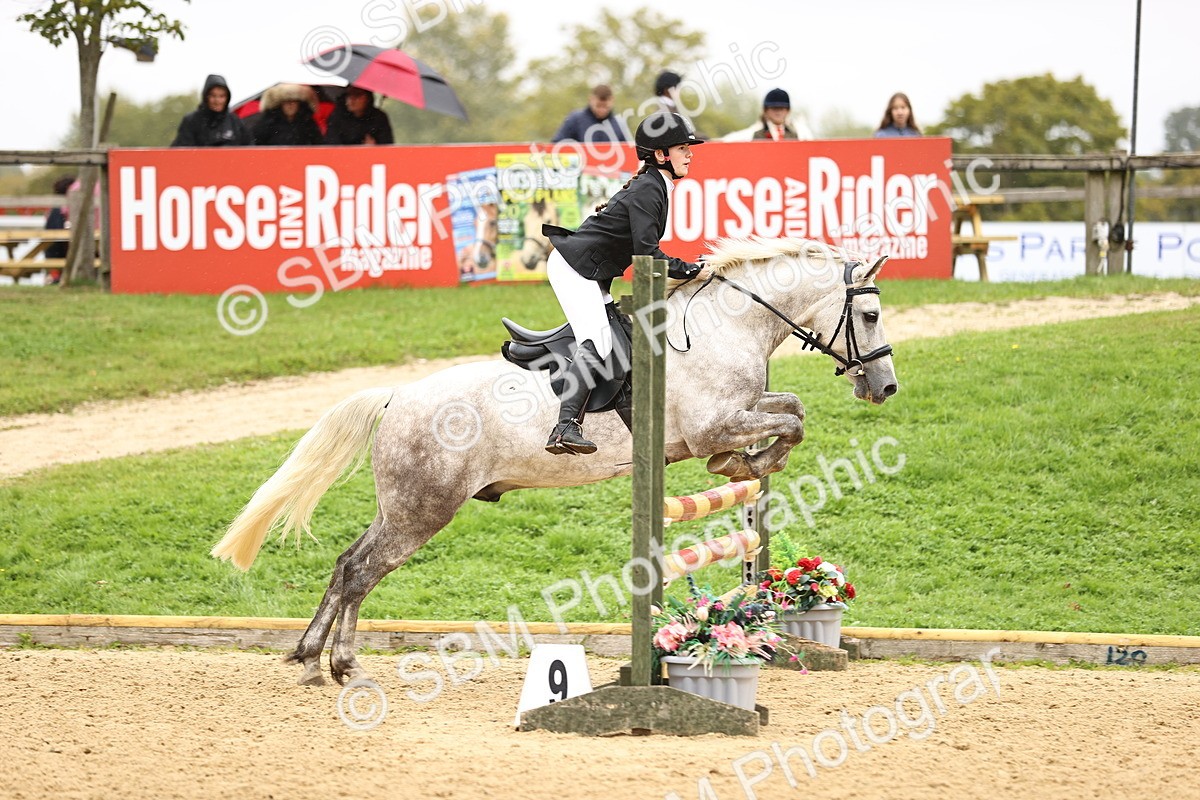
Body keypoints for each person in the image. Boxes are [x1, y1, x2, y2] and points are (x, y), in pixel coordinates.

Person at [541, 112, 712, 455]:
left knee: (624, 347)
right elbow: (647, 255)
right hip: (574, 269)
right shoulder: (650, 188)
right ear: (662, 155)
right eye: (682, 148)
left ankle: (646, 443)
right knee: (600, 342)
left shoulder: (656, 185)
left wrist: (688, 269)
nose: (690, 153)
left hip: (587, 271)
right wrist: (692, 270)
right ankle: (563, 428)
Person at [171, 74, 251, 147]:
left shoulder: (235, 121)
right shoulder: (191, 121)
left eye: (221, 96)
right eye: (213, 96)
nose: (217, 101)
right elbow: (182, 150)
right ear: (206, 97)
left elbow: (249, 149)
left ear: (227, 98)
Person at [552, 84, 630, 144]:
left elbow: (629, 152)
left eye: (605, 106)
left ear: (612, 101)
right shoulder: (575, 120)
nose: (602, 110)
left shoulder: (619, 124)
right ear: (591, 99)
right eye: (598, 106)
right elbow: (556, 145)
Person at [252, 84, 322, 146]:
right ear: (280, 104)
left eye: (294, 101)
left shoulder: (307, 123)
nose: (290, 105)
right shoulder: (267, 124)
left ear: (300, 104)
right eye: (286, 102)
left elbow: (318, 144)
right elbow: (256, 146)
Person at [323, 86, 394, 145]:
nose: (352, 99)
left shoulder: (379, 118)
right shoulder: (337, 117)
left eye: (357, 95)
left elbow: (387, 144)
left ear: (367, 98)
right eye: (349, 95)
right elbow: (332, 145)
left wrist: (374, 149)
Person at [43, 175, 74, 285]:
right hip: (58, 243)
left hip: (55, 245)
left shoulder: (55, 210)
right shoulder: (57, 211)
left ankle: (54, 275)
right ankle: (55, 275)